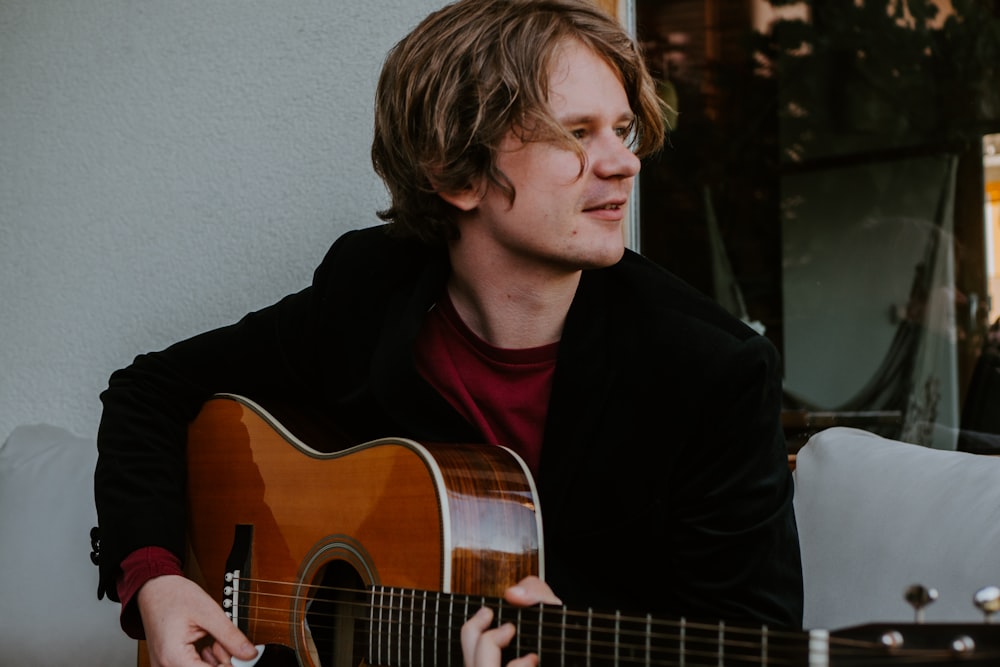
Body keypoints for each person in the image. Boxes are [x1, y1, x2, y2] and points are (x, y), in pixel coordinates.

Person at [92, 0, 803, 665]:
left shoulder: (710, 371)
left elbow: (755, 640)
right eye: (576, 135)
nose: (622, 162)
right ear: (456, 173)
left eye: (622, 130)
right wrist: (157, 579)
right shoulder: (369, 292)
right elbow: (151, 390)